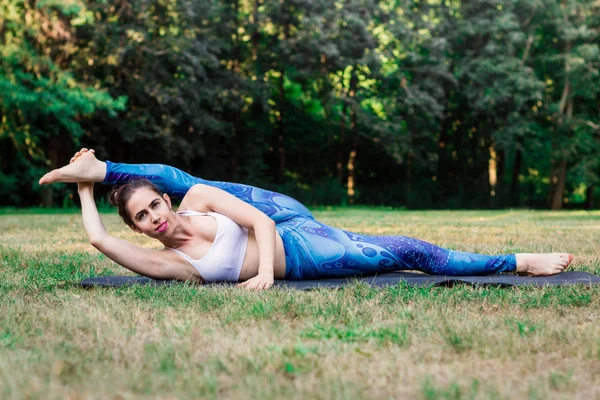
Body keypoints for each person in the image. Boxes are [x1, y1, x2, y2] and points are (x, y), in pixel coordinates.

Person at [39, 149, 573, 290]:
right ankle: (520, 261)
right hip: (303, 251)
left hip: (278, 218)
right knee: (407, 251)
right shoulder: (174, 266)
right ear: (136, 228)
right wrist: (86, 191)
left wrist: (263, 277)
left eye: (154, 204)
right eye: (142, 216)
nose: (154, 216)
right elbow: (97, 239)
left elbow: (260, 223)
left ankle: (105, 165)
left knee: (187, 177)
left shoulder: (195, 200)